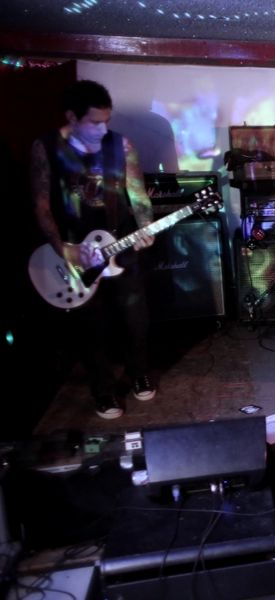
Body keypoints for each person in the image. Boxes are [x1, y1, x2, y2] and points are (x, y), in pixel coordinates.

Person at [31, 79, 157, 420]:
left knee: (136, 317)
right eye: (94, 122)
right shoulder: (46, 148)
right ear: (72, 117)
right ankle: (103, 391)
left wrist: (146, 225)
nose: (103, 130)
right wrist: (64, 250)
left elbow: (138, 194)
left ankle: (139, 373)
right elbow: (41, 206)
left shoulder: (121, 145)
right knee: (91, 325)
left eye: (107, 121)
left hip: (119, 242)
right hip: (75, 249)